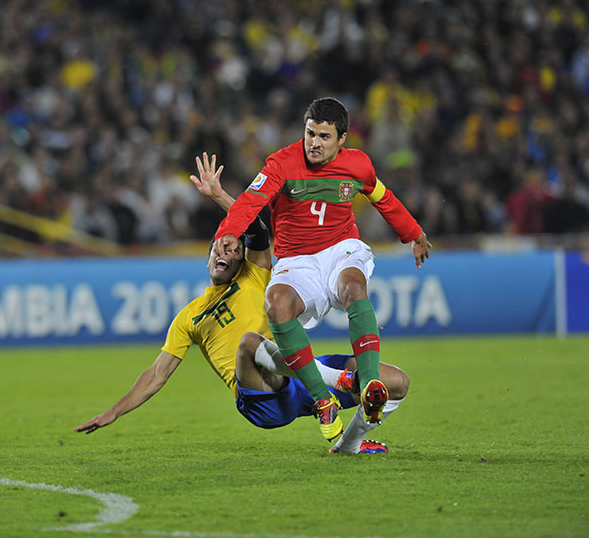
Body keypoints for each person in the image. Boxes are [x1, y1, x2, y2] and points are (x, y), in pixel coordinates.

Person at [75, 153, 410, 454]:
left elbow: (258, 228)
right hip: (261, 397)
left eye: (235, 251)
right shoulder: (189, 317)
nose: (227, 252)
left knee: (394, 381)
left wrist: (220, 196)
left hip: (296, 378)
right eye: (221, 248)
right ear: (208, 257)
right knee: (251, 342)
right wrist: (114, 411)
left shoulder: (254, 275)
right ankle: (337, 385)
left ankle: (348, 444)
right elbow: (156, 375)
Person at [212, 97, 431, 443]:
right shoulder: (281, 163)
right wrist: (228, 230)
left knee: (353, 286)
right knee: (277, 305)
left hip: (340, 249)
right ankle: (323, 399)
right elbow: (251, 201)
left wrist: (414, 234)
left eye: (324, 137)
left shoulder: (358, 166)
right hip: (296, 260)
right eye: (310, 133)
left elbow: (384, 198)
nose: (314, 142)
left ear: (342, 139)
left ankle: (370, 383)